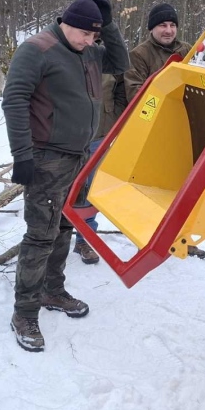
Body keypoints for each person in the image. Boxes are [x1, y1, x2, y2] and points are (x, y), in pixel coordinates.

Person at [3, 0, 129, 352]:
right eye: (87, 34)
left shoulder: (87, 49)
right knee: (40, 234)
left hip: (78, 157)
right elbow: (14, 100)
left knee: (63, 226)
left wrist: (108, 23)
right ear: (66, 23)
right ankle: (24, 312)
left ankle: (51, 290)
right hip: (46, 157)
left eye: (95, 35)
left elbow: (119, 62)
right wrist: (21, 155)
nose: (92, 41)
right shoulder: (37, 49)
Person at [124, 3, 204, 258]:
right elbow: (134, 91)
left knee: (184, 185)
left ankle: (182, 237)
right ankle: (148, 237)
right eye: (162, 25)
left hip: (184, 129)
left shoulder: (187, 50)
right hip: (152, 130)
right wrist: (163, 102)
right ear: (152, 28)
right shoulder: (139, 54)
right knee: (151, 186)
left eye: (172, 25)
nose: (168, 30)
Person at [72, 68, 127, 265]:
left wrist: (114, 115)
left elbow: (122, 89)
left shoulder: (108, 57)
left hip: (100, 135)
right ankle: (49, 240)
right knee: (60, 189)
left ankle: (83, 240)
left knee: (90, 189)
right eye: (85, 33)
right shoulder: (58, 51)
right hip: (65, 136)